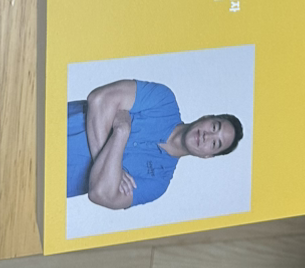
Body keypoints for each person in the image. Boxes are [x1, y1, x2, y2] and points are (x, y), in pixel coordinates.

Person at [67, 78, 243, 210]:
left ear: (207, 156)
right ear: (206, 117)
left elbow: (100, 194)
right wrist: (109, 171)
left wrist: (121, 132)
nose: (207, 136)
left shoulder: (158, 182)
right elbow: (99, 99)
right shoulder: (163, 100)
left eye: (215, 143)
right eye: (214, 127)